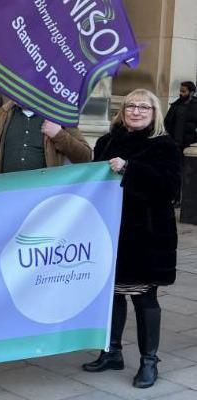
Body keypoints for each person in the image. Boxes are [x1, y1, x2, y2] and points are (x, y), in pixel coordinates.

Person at [81, 89, 180, 389]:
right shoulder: (106, 141)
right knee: (112, 294)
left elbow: (168, 189)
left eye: (143, 107)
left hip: (146, 236)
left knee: (144, 297)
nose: (136, 111)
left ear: (154, 112)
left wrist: (129, 168)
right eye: (130, 106)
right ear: (122, 110)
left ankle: (149, 361)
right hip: (110, 231)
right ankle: (111, 352)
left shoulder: (164, 146)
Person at [0, 100, 92, 174]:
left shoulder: (59, 116)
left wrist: (59, 134)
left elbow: (85, 156)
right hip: (5, 195)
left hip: (43, 198)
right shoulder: (1, 115)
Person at [163, 80, 197, 151]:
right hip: (173, 144)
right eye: (180, 91)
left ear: (191, 93)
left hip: (189, 146)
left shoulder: (195, 106)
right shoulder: (175, 105)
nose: (180, 93)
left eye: (183, 91)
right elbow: (166, 124)